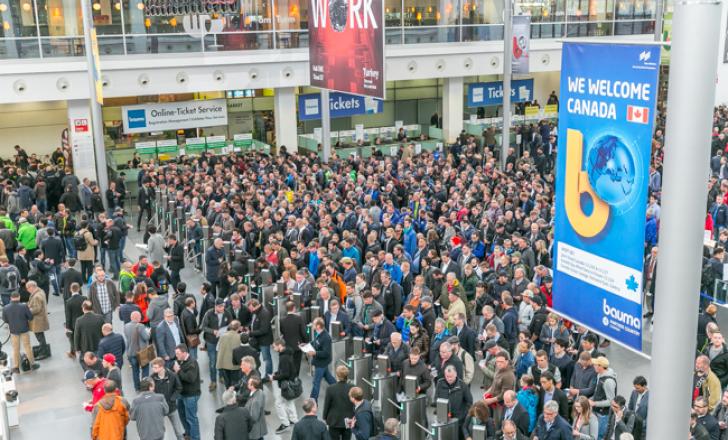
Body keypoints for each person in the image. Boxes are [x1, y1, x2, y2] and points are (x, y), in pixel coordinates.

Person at [150, 357, 186, 440]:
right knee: (159, 432)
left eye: (155, 367)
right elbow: (150, 391)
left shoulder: (172, 375)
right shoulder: (152, 378)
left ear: (162, 367)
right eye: (153, 367)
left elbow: (179, 387)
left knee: (178, 432)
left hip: (172, 407)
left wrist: (172, 398)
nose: (153, 369)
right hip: (159, 409)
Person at [2, 291, 39, 373]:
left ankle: (16, 367)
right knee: (27, 347)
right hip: (24, 329)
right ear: (19, 297)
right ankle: (32, 364)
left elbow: (5, 319)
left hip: (13, 331)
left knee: (15, 349)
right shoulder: (24, 306)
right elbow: (30, 317)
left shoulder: (6, 308)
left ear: (11, 298)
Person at [201, 298, 232, 389]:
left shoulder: (227, 313)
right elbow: (204, 327)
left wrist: (227, 330)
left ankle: (221, 376)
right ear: (215, 306)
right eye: (220, 306)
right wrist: (213, 331)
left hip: (222, 341)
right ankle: (213, 381)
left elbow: (231, 325)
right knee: (213, 362)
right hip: (211, 341)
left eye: (223, 306)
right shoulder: (209, 314)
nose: (222, 308)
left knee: (221, 359)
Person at [436, 365, 473, 440]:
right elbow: (436, 399)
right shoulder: (440, 383)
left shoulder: (462, 385)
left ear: (456, 374)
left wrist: (462, 415)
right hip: (444, 419)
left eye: (451, 376)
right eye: (447, 376)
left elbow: (469, 402)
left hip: (459, 421)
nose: (449, 378)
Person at [271, 338, 299, 433]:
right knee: (289, 401)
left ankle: (285, 424)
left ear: (279, 345)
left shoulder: (284, 358)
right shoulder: (287, 353)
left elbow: (285, 374)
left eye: (274, 346)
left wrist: (274, 377)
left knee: (278, 403)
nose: (273, 348)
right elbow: (286, 370)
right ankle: (294, 419)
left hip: (286, 384)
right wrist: (277, 373)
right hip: (291, 382)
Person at [174, 344, 201, 440]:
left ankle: (195, 438)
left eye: (178, 353)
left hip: (191, 395)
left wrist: (178, 371)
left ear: (184, 353)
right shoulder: (179, 361)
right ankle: (188, 433)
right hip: (181, 394)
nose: (176, 355)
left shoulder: (192, 363)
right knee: (182, 415)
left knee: (191, 418)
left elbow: (191, 378)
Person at [324, 365, 355, 440]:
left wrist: (325, 417)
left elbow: (327, 405)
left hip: (334, 421)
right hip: (348, 420)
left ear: (337, 375)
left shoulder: (330, 389)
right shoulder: (352, 387)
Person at [308, 317, 335, 402]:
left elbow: (326, 353)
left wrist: (315, 353)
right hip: (318, 362)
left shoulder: (326, 337)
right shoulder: (318, 333)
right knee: (329, 378)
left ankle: (312, 401)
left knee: (316, 383)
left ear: (318, 326)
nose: (312, 325)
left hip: (321, 363)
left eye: (314, 324)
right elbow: (315, 342)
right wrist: (306, 345)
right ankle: (340, 389)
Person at [124, 311, 151, 392]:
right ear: (138, 318)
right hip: (142, 352)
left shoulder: (126, 326)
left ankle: (137, 387)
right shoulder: (141, 326)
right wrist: (148, 332)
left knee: (135, 371)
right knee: (145, 370)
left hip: (131, 352)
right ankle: (144, 387)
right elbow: (146, 338)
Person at [247, 298, 274, 379]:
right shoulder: (255, 312)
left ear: (255, 306)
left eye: (251, 308)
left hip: (264, 341)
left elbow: (264, 330)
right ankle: (256, 374)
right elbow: (253, 322)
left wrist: (250, 333)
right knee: (254, 357)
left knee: (266, 359)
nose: (250, 310)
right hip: (255, 340)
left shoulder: (264, 313)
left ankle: (268, 376)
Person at [280, 300, 308, 374]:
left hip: (287, 345)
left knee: (289, 363)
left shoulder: (282, 320)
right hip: (297, 345)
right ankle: (295, 379)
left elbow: (282, 331)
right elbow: (303, 332)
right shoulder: (298, 318)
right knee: (296, 364)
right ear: (294, 308)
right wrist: (306, 342)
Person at [27, 280, 50, 359]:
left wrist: (27, 310)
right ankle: (42, 350)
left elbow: (37, 309)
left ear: (32, 287)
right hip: (40, 319)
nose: (27, 290)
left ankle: (43, 353)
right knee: (41, 337)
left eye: (28, 288)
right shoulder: (40, 291)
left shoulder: (36, 296)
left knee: (40, 337)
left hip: (38, 321)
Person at [217, 320, 244, 388]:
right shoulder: (240, 337)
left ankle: (228, 395)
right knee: (235, 383)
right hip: (235, 365)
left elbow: (220, 351)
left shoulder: (223, 336)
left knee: (227, 383)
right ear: (238, 328)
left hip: (224, 364)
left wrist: (218, 364)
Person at [64, 282, 85, 358]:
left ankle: (73, 352)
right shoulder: (84, 298)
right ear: (79, 289)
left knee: (73, 338)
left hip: (74, 323)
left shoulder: (68, 301)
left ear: (70, 290)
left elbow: (68, 316)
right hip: (83, 321)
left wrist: (67, 327)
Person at [245, 375, 268, 440]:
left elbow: (254, 417)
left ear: (253, 386)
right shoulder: (260, 392)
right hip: (259, 428)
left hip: (255, 429)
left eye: (249, 383)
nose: (247, 383)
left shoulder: (255, 401)